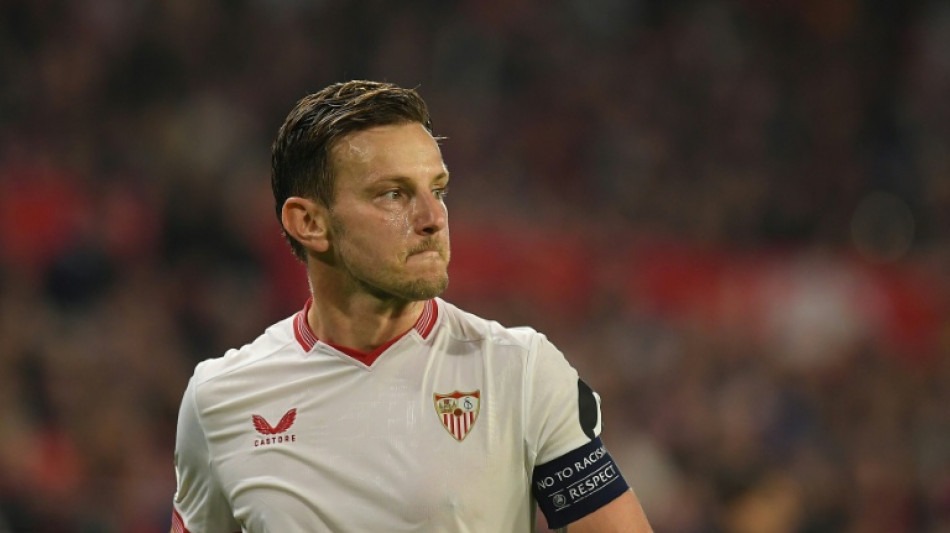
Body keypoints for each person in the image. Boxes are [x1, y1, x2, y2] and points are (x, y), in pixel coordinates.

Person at [169, 80, 653, 532]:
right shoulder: (219, 399)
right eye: (394, 194)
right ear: (309, 223)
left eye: (437, 190)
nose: (433, 217)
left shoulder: (519, 369)